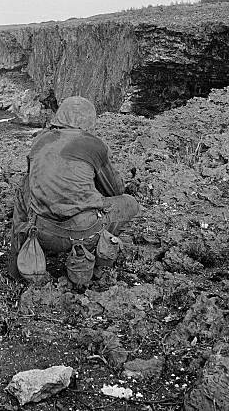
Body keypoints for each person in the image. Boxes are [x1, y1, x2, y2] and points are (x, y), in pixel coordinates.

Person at [10, 96, 140, 285]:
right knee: (130, 203)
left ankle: (17, 265)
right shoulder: (94, 145)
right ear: (90, 120)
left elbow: (29, 187)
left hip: (42, 233)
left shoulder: (40, 141)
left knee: (22, 188)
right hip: (84, 234)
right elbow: (115, 190)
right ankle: (102, 262)